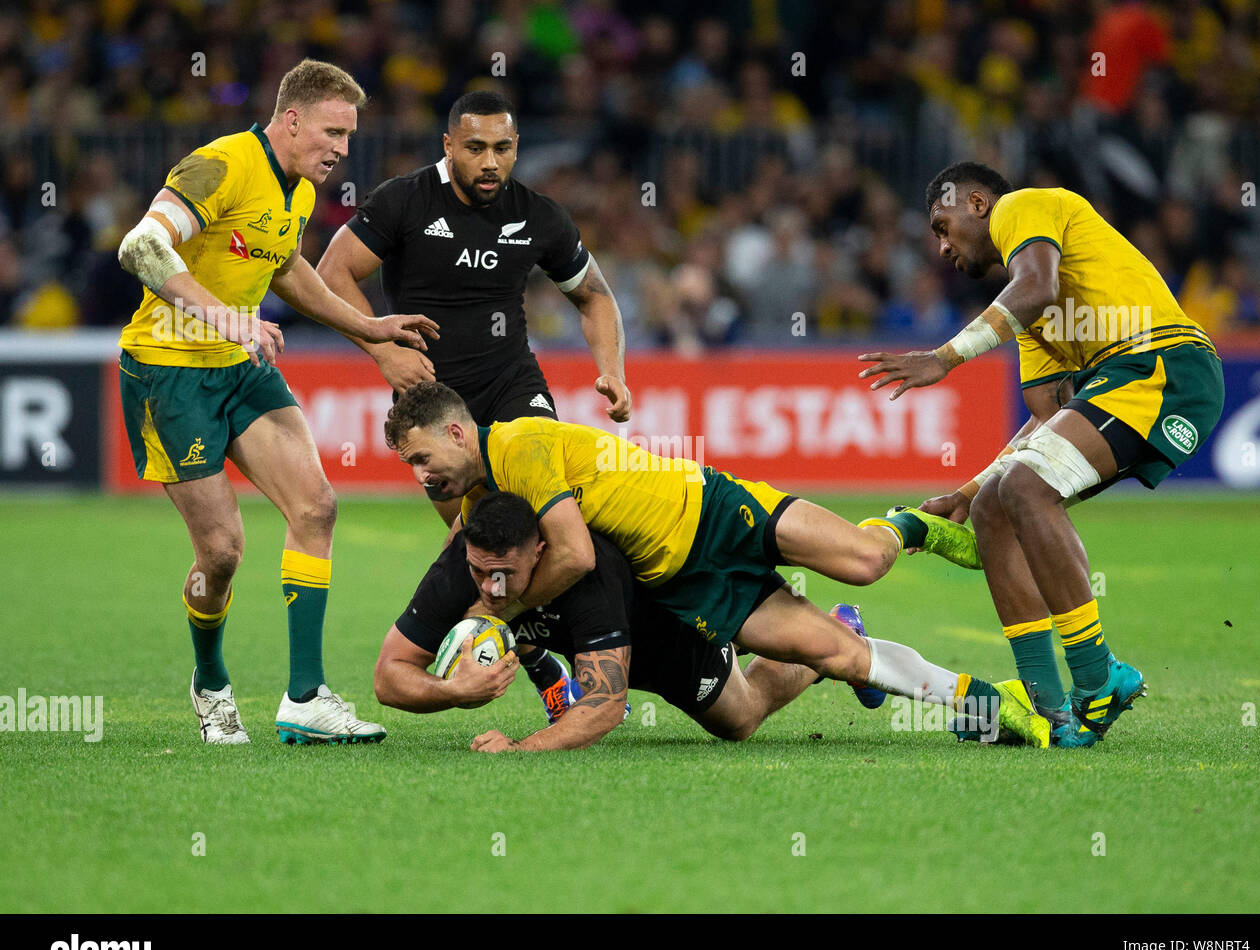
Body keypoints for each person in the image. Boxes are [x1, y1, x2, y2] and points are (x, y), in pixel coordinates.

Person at [381, 382, 1053, 747]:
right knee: (840, 654)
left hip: (711, 507)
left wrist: (496, 617)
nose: (417, 474)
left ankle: (917, 525)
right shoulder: (479, 503)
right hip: (685, 580)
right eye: (406, 465)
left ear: (458, 432)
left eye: (420, 456)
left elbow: (577, 555)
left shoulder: (520, 445)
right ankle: (987, 707)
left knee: (867, 559)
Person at [116, 58, 437, 745]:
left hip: (239, 367)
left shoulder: (296, 188)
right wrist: (226, 317)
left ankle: (304, 698)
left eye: (348, 136)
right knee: (223, 554)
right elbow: (140, 246)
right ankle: (210, 683)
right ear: (290, 120)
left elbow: (284, 265)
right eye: (332, 131)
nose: (342, 149)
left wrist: (368, 326)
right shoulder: (220, 163)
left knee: (316, 506)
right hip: (168, 372)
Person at [858, 161, 1225, 747]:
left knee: (1028, 488)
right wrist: (967, 491)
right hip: (1121, 377)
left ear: (978, 202)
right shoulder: (1030, 313)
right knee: (996, 507)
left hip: (1164, 366)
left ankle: (1099, 677)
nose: (943, 247)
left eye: (943, 226)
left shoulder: (1023, 207)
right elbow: (1046, 416)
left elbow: (1037, 284)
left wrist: (945, 357)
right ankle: (1048, 707)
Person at [374, 492, 1037, 752]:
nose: (491, 588)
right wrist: (451, 693)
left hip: (673, 627)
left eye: (506, 574)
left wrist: (519, 752)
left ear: (542, 551)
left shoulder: (588, 570)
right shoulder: (462, 571)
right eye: (478, 570)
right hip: (619, 634)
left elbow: (603, 710)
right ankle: (844, 634)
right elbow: (388, 677)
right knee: (771, 694)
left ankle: (961, 693)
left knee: (740, 719)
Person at [317, 90, 631, 526]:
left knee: (546, 523)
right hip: (430, 399)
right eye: (475, 148)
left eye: (502, 149)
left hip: (513, 387)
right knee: (479, 538)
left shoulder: (539, 217)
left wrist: (612, 370)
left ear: (516, 146)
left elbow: (595, 297)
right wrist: (385, 351)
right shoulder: (404, 200)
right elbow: (331, 274)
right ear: (449, 146)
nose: (490, 162)